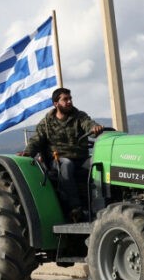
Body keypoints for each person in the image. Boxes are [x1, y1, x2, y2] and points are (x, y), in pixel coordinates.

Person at [22, 87, 104, 220]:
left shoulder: (79, 116)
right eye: (65, 99)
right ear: (56, 103)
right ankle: (75, 208)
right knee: (66, 164)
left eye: (70, 98)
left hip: (81, 159)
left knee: (100, 164)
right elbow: (36, 140)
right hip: (58, 160)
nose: (69, 102)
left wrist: (95, 129)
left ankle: (102, 205)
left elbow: (88, 124)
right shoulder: (46, 123)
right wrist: (27, 153)